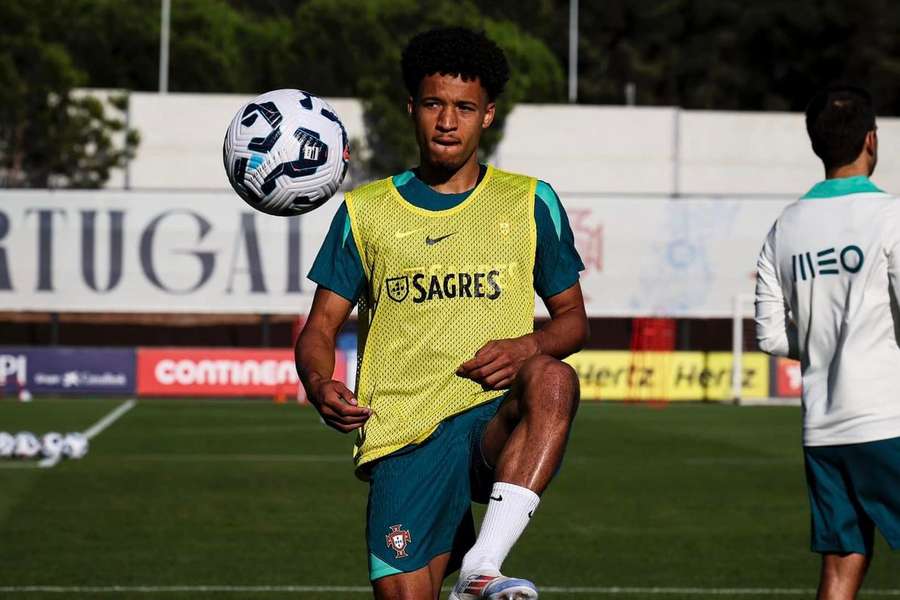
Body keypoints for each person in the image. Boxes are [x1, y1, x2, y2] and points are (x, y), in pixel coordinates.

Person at [295, 26, 587, 600]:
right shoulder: (365, 211)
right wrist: (317, 382)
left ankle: (484, 564)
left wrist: (527, 347)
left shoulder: (531, 201)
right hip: (402, 433)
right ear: (412, 108)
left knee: (554, 377)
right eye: (433, 104)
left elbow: (572, 320)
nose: (447, 121)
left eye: (464, 107)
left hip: (489, 420)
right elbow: (319, 328)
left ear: (488, 116)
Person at [755, 85, 900, 600]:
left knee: (842, 561)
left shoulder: (784, 227)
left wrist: (825, 343)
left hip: (824, 429)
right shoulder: (891, 216)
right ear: (871, 140)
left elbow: (770, 335)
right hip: (890, 418)